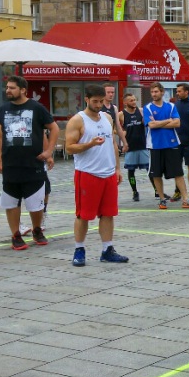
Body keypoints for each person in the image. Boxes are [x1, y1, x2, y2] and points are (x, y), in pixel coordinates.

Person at [0, 76, 59, 250]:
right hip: (11, 164)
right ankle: (15, 234)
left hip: (33, 163)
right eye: (7, 87)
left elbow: (53, 128)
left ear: (23, 90)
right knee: (11, 201)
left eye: (12, 88)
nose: (8, 90)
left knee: (36, 203)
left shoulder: (36, 108)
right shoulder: (3, 109)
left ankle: (37, 229)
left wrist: (49, 151)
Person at [65, 84, 128, 267]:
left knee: (108, 214)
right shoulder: (78, 120)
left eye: (101, 101)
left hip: (108, 173)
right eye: (95, 101)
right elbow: (70, 147)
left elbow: (113, 145)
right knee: (83, 215)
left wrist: (117, 168)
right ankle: (79, 249)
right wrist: (90, 144)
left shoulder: (107, 118)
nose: (99, 104)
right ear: (87, 99)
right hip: (88, 173)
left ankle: (107, 249)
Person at [143, 82, 189, 210]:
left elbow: (177, 123)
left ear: (162, 92)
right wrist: (168, 120)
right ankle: (162, 199)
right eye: (152, 92)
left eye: (156, 91)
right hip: (155, 145)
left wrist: (159, 123)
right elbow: (151, 125)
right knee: (156, 174)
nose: (154, 94)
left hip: (172, 143)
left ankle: (186, 199)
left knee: (178, 172)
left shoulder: (171, 106)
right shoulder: (148, 108)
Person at [118, 93, 155, 202]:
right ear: (125, 102)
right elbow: (116, 129)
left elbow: (150, 122)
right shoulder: (121, 114)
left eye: (134, 100)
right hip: (130, 146)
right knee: (131, 171)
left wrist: (147, 120)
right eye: (131, 100)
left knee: (150, 169)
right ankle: (135, 192)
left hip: (143, 145)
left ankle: (157, 190)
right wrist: (122, 136)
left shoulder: (141, 111)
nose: (134, 102)